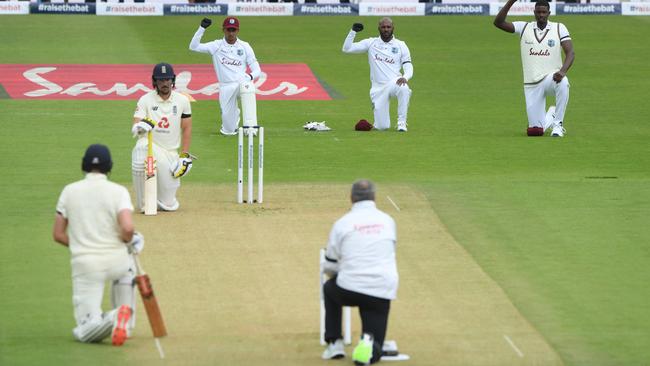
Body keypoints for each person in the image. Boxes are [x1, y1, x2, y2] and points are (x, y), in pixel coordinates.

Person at [53, 144, 145, 345]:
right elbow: (128, 229)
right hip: (117, 260)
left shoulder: (69, 191)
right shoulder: (118, 191)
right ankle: (124, 322)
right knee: (127, 265)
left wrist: (80, 244)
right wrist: (127, 242)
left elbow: (58, 234)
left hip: (86, 265)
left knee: (84, 330)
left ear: (84, 165)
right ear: (109, 166)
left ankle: (112, 318)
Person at [321, 179, 399, 365]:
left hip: (349, 288)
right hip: (381, 289)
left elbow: (330, 263)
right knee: (374, 347)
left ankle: (335, 342)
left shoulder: (342, 223)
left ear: (351, 198)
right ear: (374, 197)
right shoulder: (388, 221)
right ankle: (369, 344)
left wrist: (341, 273)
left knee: (329, 289)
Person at [494, 0, 575, 137]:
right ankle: (551, 114)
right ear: (534, 13)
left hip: (551, 78)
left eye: (544, 12)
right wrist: (511, 2)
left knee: (564, 82)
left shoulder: (559, 27)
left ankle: (558, 125)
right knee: (535, 132)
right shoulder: (524, 27)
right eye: (538, 12)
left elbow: (570, 53)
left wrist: (562, 71)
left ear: (549, 13)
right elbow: (498, 23)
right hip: (531, 84)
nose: (541, 15)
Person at [131, 62, 194, 212]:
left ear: (173, 80)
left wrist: (184, 155)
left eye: (167, 79)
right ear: (155, 81)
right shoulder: (145, 100)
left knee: (168, 203)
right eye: (160, 80)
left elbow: (186, 128)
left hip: (170, 153)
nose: (164, 83)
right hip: (151, 147)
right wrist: (140, 128)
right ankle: (143, 204)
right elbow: (136, 127)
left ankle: (158, 200)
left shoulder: (182, 101)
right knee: (141, 146)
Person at [189, 16, 262, 136]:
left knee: (248, 87)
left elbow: (257, 70)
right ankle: (233, 117)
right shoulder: (216, 45)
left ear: (238, 31)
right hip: (226, 87)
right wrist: (202, 28)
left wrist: (248, 77)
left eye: (234, 30)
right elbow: (193, 46)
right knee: (228, 131)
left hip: (241, 84)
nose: (231, 33)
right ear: (223, 30)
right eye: (229, 30)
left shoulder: (245, 46)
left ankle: (251, 128)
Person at [342, 17, 413, 132]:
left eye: (388, 27)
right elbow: (347, 49)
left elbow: (408, 66)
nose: (386, 29)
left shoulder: (401, 45)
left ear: (393, 28)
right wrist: (353, 32)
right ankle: (379, 121)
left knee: (404, 88)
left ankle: (402, 123)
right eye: (383, 27)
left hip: (394, 82)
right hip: (378, 89)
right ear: (379, 28)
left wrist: (405, 77)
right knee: (382, 127)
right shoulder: (371, 43)